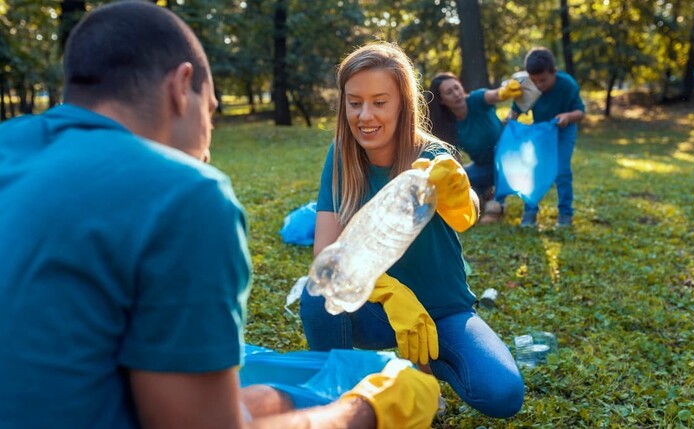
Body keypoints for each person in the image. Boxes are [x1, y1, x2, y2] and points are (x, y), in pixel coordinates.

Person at [0, 3, 438, 429]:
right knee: (370, 382)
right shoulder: (186, 194)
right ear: (181, 86)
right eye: (210, 112)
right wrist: (366, 413)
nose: (207, 148)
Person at [299, 42, 525, 419]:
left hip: (441, 311)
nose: (365, 115)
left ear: (403, 102)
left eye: (379, 102)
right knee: (317, 295)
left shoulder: (433, 154)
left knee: (502, 394)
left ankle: (421, 370)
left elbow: (465, 214)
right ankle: (338, 396)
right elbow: (325, 253)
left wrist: (459, 192)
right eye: (354, 102)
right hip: (377, 310)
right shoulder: (341, 154)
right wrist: (388, 293)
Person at [427, 72, 523, 224]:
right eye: (449, 92)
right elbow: (454, 163)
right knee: (463, 178)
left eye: (457, 88)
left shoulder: (476, 100)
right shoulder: (448, 125)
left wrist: (506, 91)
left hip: (509, 161)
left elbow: (495, 95)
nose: (456, 94)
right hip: (484, 168)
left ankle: (497, 206)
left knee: (500, 160)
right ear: (442, 101)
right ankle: (483, 197)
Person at [507, 47, 585, 228]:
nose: (539, 85)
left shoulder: (567, 85)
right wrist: (511, 119)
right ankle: (530, 212)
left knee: (562, 170)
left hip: (564, 131)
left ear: (554, 72)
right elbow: (517, 109)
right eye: (534, 81)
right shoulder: (528, 86)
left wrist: (567, 117)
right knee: (534, 169)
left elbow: (580, 111)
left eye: (543, 80)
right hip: (540, 132)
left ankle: (565, 214)